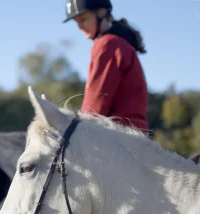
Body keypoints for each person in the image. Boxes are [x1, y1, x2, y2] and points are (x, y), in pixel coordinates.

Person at [63, 0, 149, 132]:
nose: (80, 26)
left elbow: (94, 106)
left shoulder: (108, 44)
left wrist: (79, 131)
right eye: (77, 22)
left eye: (83, 19)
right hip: (132, 136)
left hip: (118, 137)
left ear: (101, 13)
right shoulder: (119, 43)